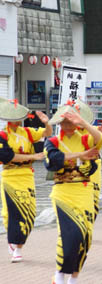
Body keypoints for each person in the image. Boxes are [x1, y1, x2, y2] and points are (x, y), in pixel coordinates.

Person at [44, 102, 102, 284]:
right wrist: (80, 155)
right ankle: (60, 274)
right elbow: (53, 161)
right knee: (70, 233)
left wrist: (84, 123)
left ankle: (74, 277)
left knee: (84, 236)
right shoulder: (53, 141)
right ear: (59, 124)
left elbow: (99, 140)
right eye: (64, 123)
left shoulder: (85, 138)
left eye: (71, 123)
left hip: (84, 192)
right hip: (62, 193)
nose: (68, 126)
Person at [0, 98, 52, 263]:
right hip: (10, 176)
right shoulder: (2, 135)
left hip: (27, 175)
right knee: (12, 212)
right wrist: (33, 156)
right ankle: (16, 246)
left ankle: (16, 241)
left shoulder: (28, 132)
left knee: (29, 211)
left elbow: (47, 133)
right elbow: (7, 156)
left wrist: (46, 122)